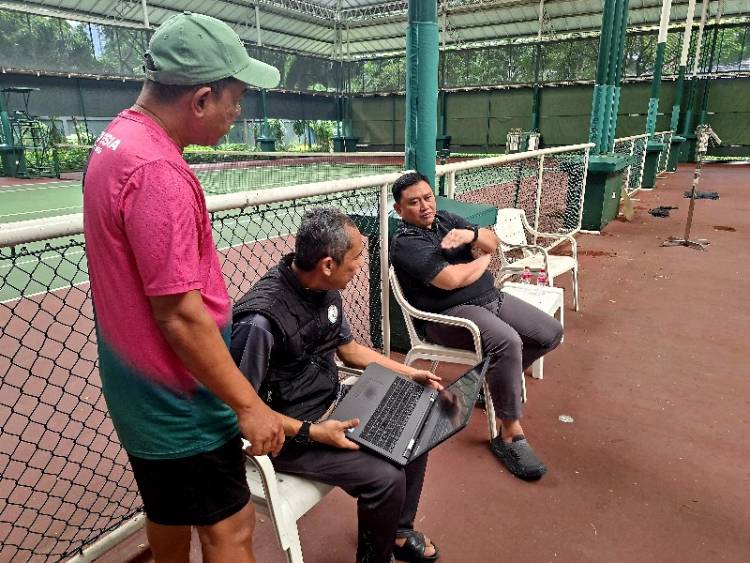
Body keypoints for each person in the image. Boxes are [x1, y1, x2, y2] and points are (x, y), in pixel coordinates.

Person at [83, 12, 286, 562]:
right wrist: (248, 405)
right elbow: (179, 314)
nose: (237, 113)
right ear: (200, 99)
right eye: (235, 99)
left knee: (169, 512)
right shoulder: (158, 172)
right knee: (230, 528)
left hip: (139, 396)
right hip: (180, 401)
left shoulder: (115, 140)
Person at [231, 207, 442, 563]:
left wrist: (409, 373)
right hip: (289, 435)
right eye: (356, 257)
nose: (360, 264)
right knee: (385, 477)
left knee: (417, 424)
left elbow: (350, 350)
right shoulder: (259, 323)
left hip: (331, 403)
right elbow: (242, 409)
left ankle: (398, 532)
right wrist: (313, 432)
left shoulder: (324, 288)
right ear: (328, 264)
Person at [389, 172, 563, 481]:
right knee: (507, 342)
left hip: (490, 298)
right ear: (399, 209)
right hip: (449, 314)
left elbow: (491, 240)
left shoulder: (445, 218)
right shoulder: (406, 242)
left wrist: (471, 236)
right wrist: (484, 259)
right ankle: (509, 433)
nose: (425, 206)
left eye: (428, 197)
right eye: (414, 202)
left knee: (550, 332)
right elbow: (451, 280)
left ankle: (491, 384)